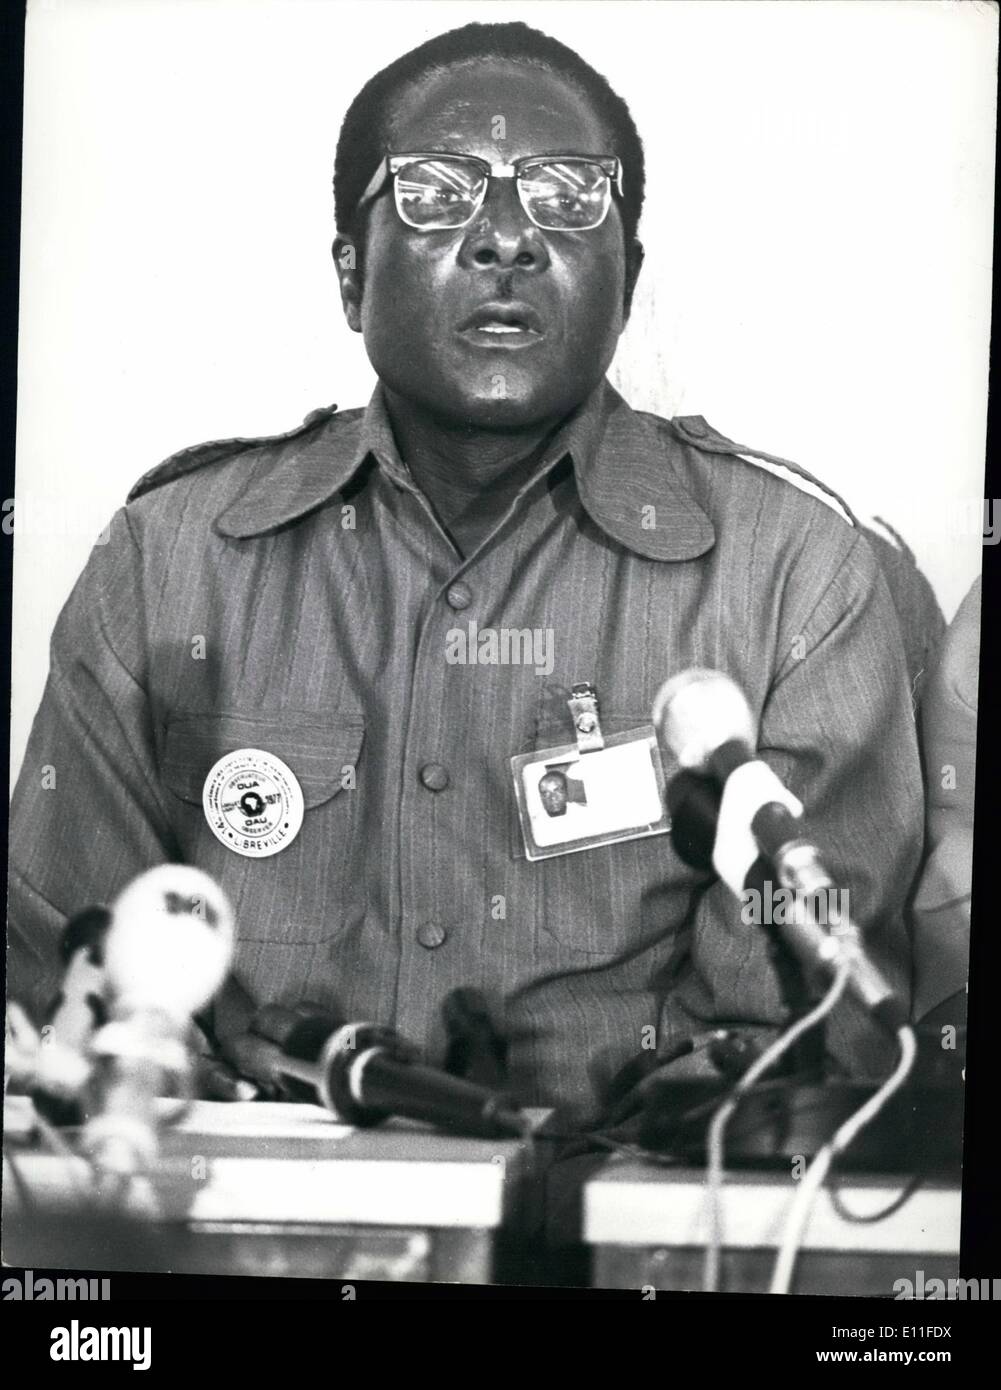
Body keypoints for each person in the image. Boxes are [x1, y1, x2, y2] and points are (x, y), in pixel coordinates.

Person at [8, 21, 925, 1122]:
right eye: (438, 192)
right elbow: (68, 990)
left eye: (565, 195)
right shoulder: (167, 564)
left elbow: (786, 1055)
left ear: (626, 279)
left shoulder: (790, 581)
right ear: (352, 277)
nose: (504, 240)